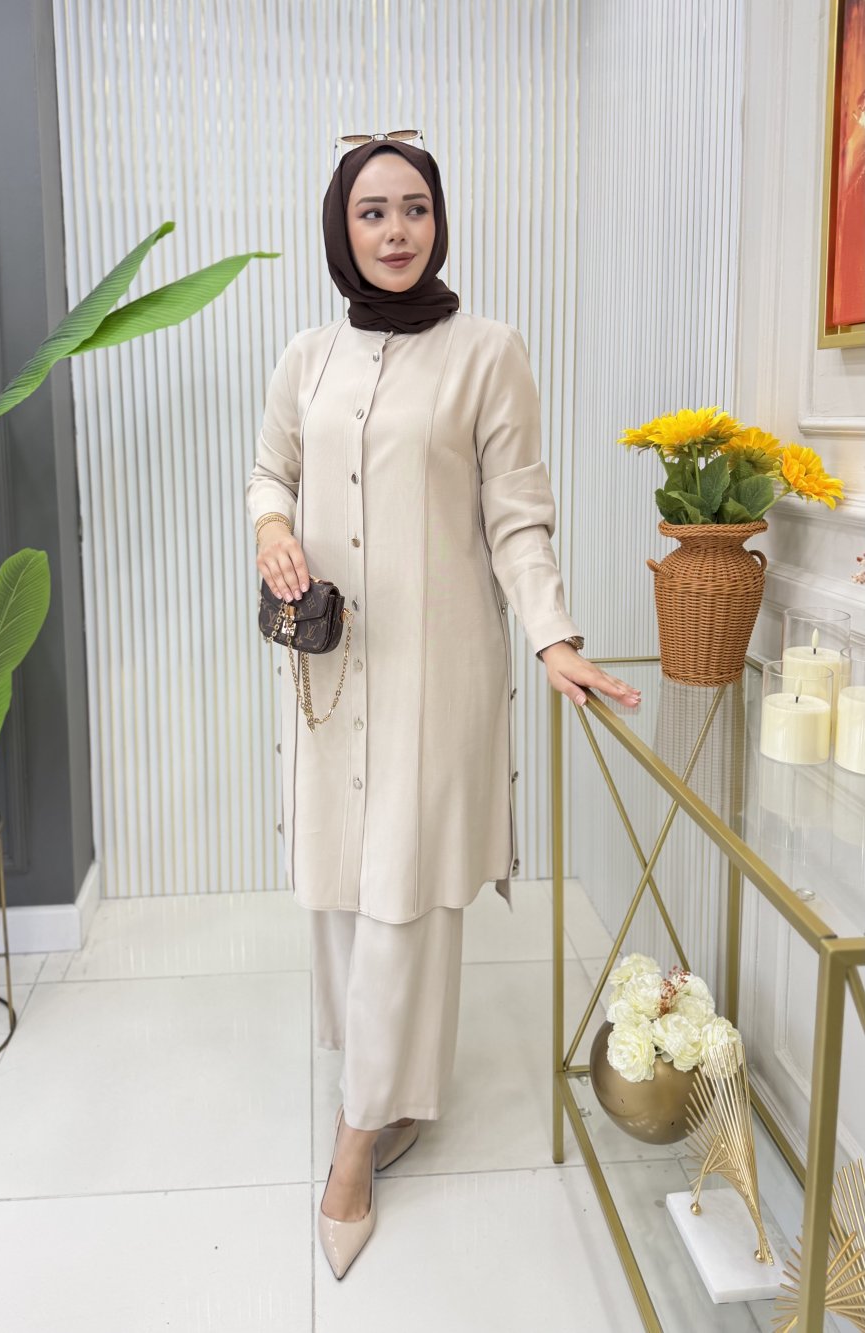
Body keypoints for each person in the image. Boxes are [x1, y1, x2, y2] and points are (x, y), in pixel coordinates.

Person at [246, 136, 641, 1280]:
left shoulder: (488, 354)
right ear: (342, 228)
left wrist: (553, 634)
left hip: (438, 673)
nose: (396, 230)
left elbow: (517, 514)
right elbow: (271, 472)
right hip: (329, 672)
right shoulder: (307, 356)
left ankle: (354, 1141)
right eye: (372, 211)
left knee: (404, 900)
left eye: (414, 208)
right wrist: (271, 528)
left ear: (439, 222)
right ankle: (390, 1090)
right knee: (341, 890)